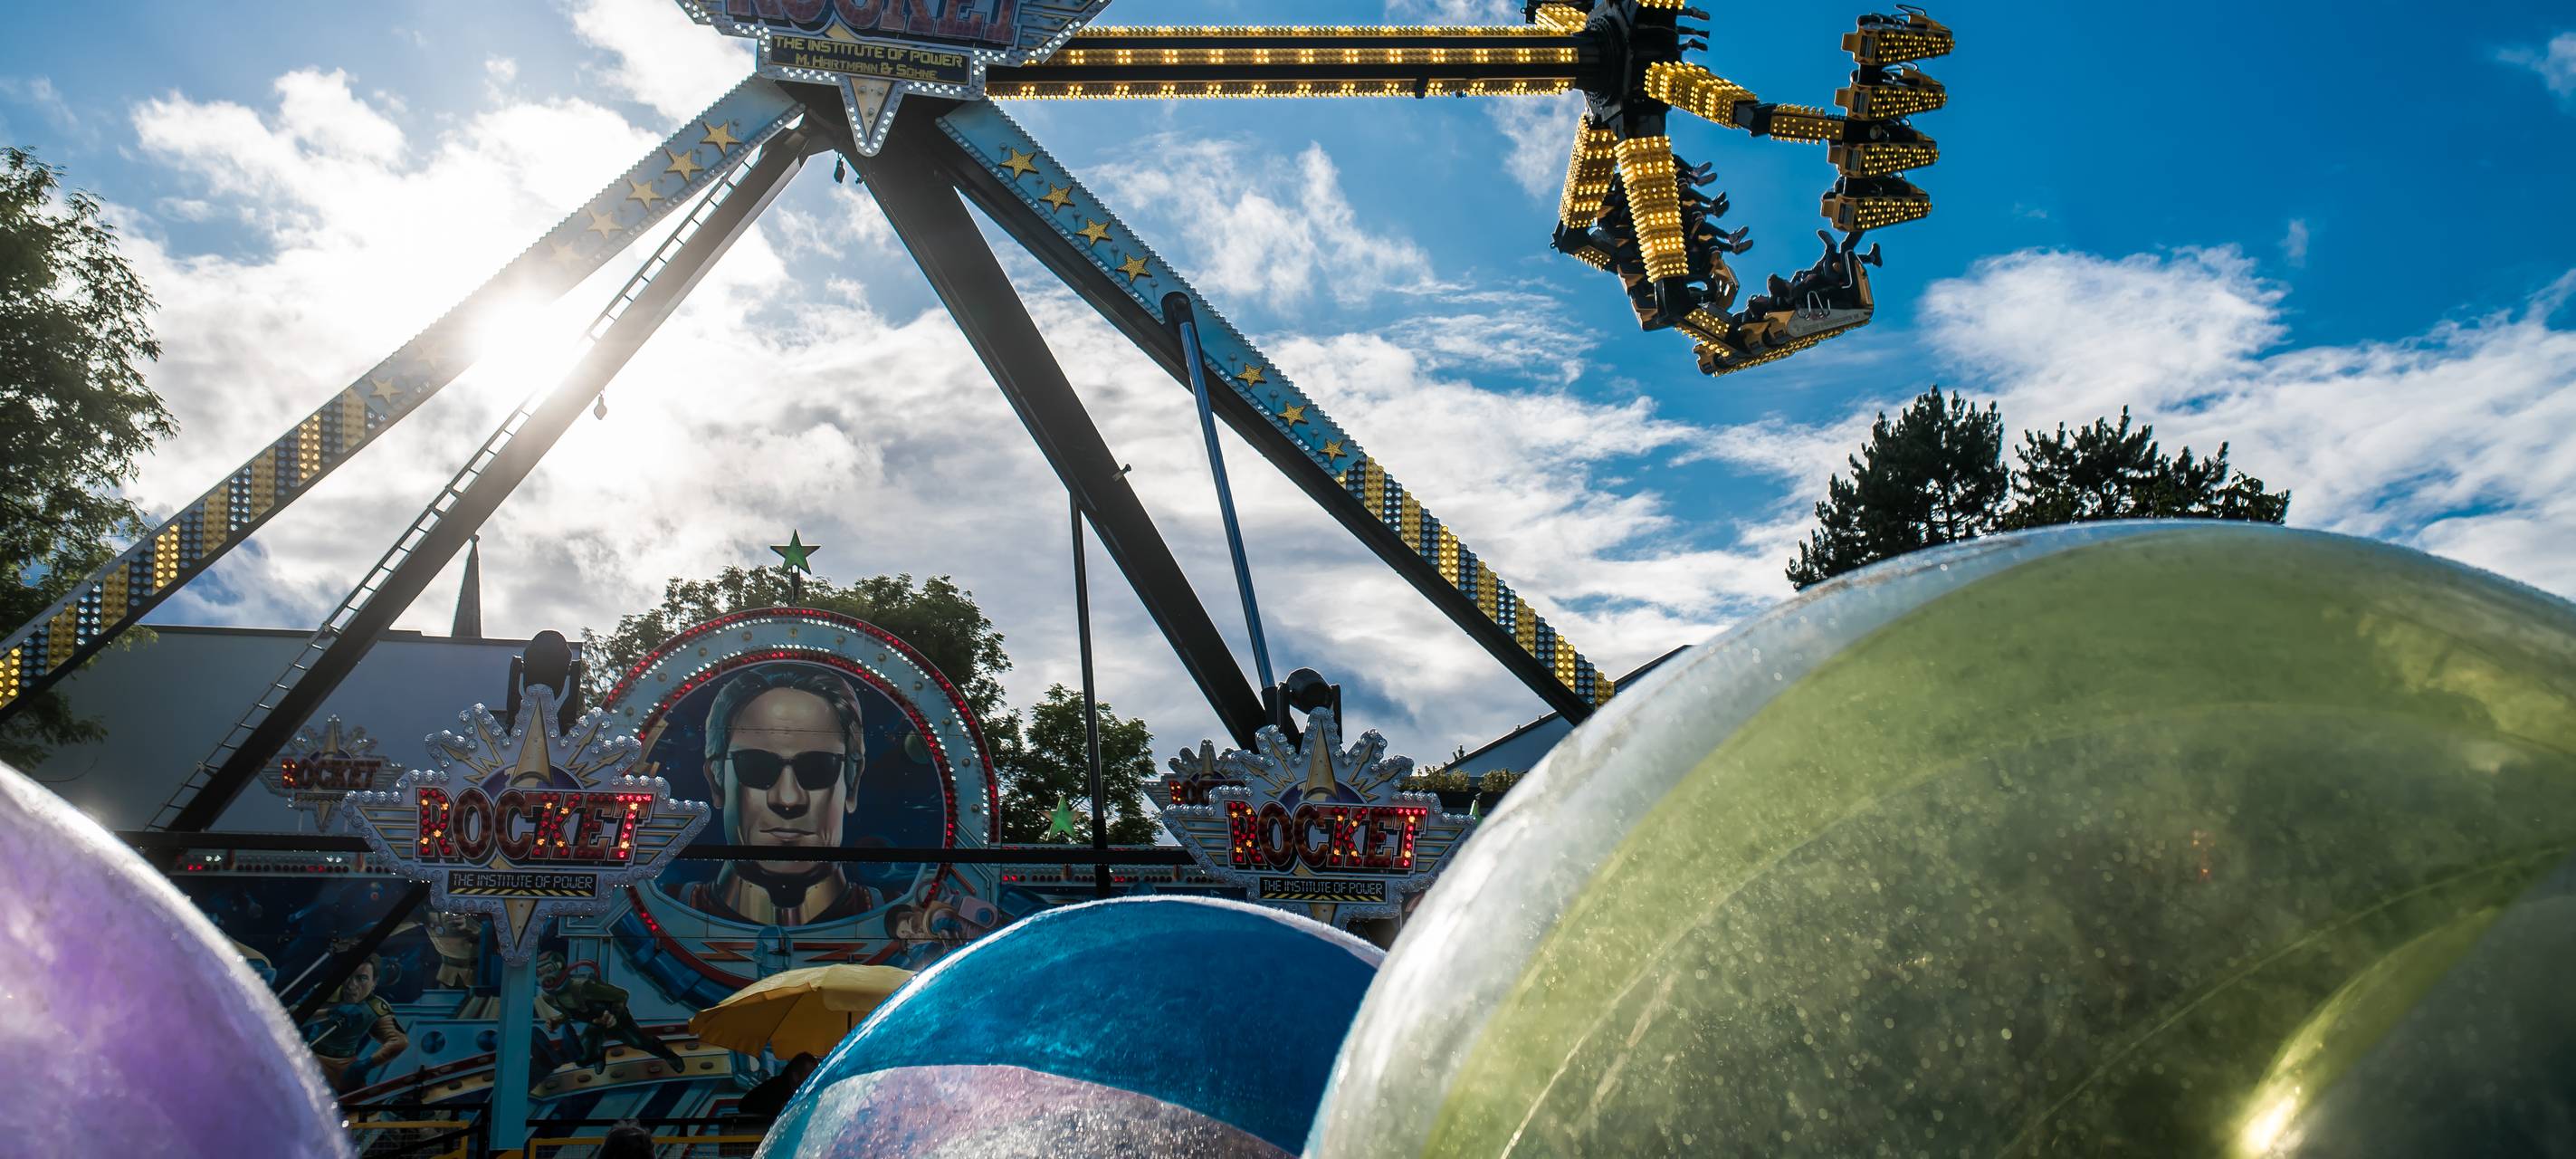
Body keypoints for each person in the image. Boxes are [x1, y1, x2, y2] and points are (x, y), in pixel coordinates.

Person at [682, 668, 883, 925]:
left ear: (852, 785)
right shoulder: (663, 912)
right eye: (756, 766)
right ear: (716, 783)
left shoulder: (906, 915)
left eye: (818, 768)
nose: (788, 799)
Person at [535, 951, 686, 1075]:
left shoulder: (584, 986)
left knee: (640, 1043)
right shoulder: (550, 998)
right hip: (595, 1025)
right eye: (540, 973)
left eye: (549, 970)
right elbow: (571, 1013)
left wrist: (614, 1015)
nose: (545, 978)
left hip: (619, 1020)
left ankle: (669, 1056)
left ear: (560, 966)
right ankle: (598, 1054)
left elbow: (621, 995)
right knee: (582, 1059)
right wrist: (558, 1020)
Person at [301, 956, 408, 1092]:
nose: (351, 985)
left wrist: (366, 1064)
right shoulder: (326, 991)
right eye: (348, 975)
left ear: (374, 982)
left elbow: (399, 1041)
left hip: (343, 1067)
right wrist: (329, 1012)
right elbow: (291, 1015)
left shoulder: (375, 1007)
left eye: (361, 978)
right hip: (309, 1058)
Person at [734, 1052, 818, 1125]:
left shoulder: (813, 1093)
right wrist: (778, 1107)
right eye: (809, 1077)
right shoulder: (772, 1088)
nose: (813, 1081)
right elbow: (745, 1105)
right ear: (795, 1076)